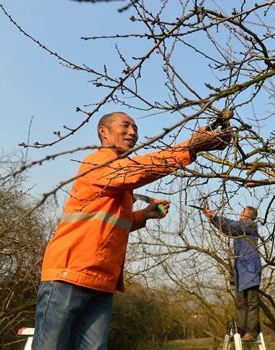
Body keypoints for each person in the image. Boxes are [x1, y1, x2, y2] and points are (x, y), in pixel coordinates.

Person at [33, 111, 231, 349]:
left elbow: (110, 226)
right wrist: (189, 148)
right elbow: (136, 170)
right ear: (103, 132)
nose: (132, 132)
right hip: (69, 275)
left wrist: (143, 215)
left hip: (102, 282)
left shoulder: (119, 185)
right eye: (125, 126)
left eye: (135, 128)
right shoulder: (96, 162)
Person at [202, 205, 262, 342]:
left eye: (243, 212)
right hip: (240, 273)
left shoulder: (250, 226)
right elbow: (227, 229)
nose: (240, 214)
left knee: (252, 303)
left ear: (249, 215)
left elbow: (233, 225)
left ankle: (252, 332)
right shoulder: (239, 229)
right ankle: (240, 331)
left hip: (251, 271)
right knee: (240, 304)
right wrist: (213, 219)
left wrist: (215, 217)